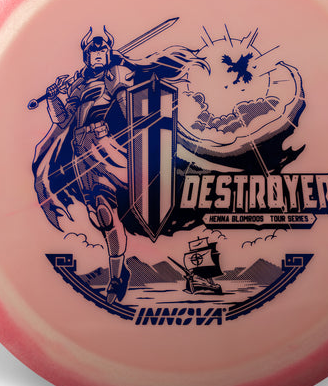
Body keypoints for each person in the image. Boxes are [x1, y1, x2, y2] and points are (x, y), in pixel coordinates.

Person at [33, 26, 209, 304]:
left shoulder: (115, 74)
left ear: (108, 51)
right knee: (99, 217)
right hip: (81, 152)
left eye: (102, 49)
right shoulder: (78, 85)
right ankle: (121, 270)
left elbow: (130, 109)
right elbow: (63, 120)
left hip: (103, 145)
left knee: (111, 210)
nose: (98, 54)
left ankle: (117, 277)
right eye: (93, 50)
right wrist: (54, 96)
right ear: (86, 55)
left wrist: (118, 86)